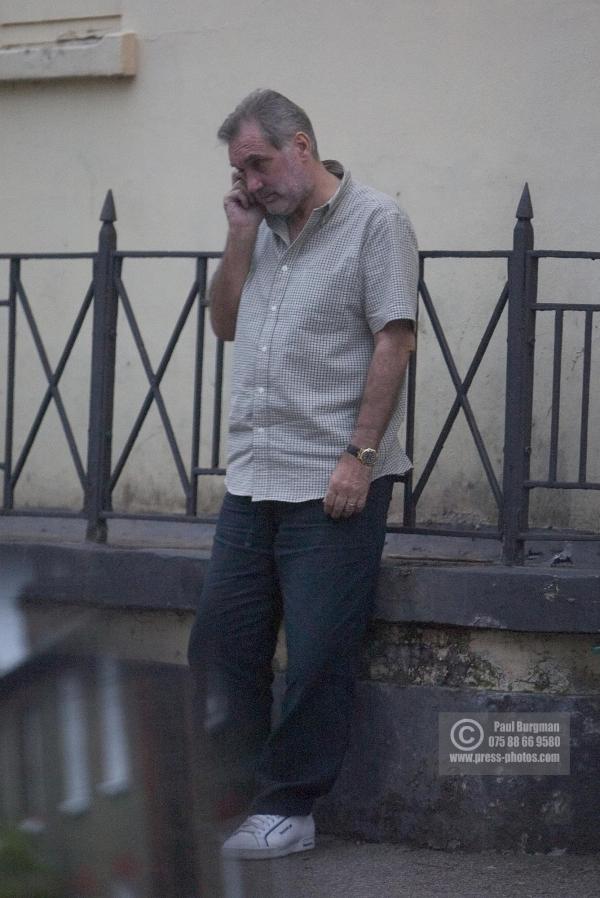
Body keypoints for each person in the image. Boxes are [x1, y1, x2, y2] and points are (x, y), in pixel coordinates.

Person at [188, 89, 418, 860]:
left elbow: (394, 340)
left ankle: (290, 808)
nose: (249, 181)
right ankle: (237, 793)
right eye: (238, 170)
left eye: (257, 163)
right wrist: (239, 236)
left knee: (319, 654)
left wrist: (359, 454)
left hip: (333, 481)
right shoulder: (259, 229)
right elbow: (222, 324)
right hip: (254, 477)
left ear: (302, 146)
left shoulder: (376, 221)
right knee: (222, 643)